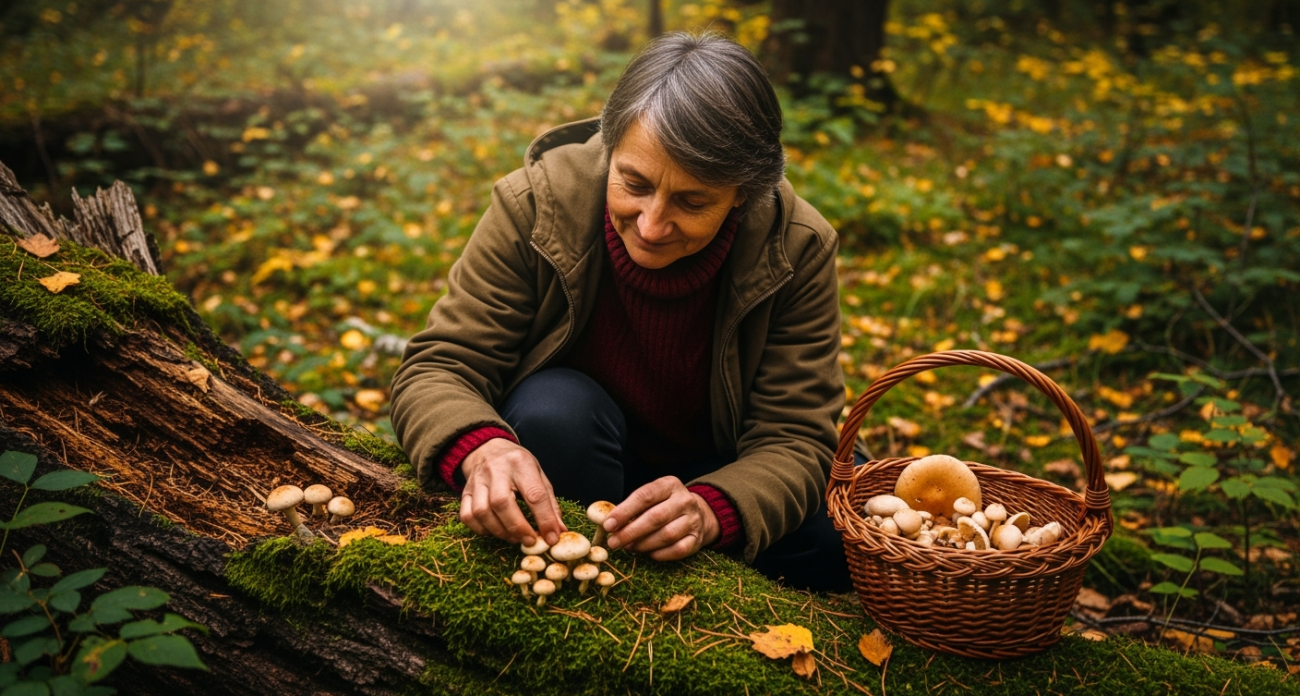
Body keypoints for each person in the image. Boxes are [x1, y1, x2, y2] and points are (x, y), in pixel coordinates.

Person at [390, 31, 853, 592]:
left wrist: (713, 510)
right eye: (633, 183)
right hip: (573, 455)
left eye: (692, 201)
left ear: (743, 193)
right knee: (552, 411)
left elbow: (796, 437)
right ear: (610, 147)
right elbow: (438, 365)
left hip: (712, 474)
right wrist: (480, 448)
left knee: (834, 545)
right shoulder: (535, 204)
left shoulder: (796, 247)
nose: (653, 226)